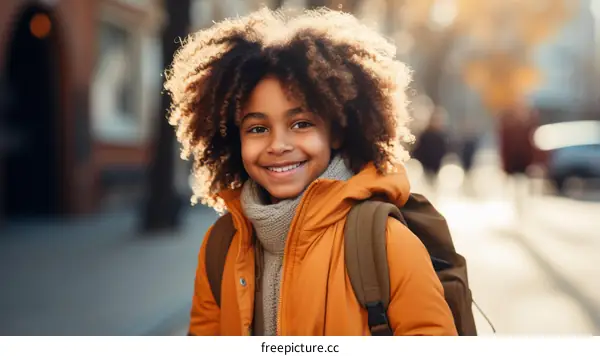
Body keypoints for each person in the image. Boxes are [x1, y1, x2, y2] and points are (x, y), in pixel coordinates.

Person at [166, 7, 457, 336]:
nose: (278, 144)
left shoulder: (386, 244)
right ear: (235, 139)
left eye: (301, 124)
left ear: (335, 132)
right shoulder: (221, 245)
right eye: (258, 128)